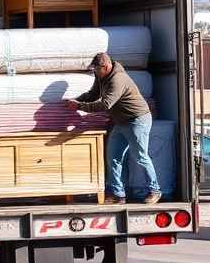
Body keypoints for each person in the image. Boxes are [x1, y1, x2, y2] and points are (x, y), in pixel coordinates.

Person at [65, 53, 161, 205]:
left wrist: (79, 107)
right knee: (113, 157)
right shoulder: (101, 76)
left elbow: (105, 104)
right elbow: (93, 94)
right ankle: (118, 195)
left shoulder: (118, 79)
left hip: (137, 120)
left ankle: (155, 190)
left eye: (96, 69)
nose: (94, 72)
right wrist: (77, 100)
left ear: (106, 67)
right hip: (121, 121)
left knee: (140, 156)